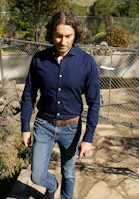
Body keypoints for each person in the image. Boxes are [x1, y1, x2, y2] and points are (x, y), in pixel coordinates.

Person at [20, 10, 100, 199]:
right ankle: (52, 185)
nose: (63, 42)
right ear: (52, 35)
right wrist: (25, 127)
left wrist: (88, 138)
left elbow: (94, 102)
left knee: (69, 172)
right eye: (58, 36)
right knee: (37, 175)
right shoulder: (39, 59)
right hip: (43, 126)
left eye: (68, 36)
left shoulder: (86, 63)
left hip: (71, 128)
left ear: (75, 35)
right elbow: (28, 95)